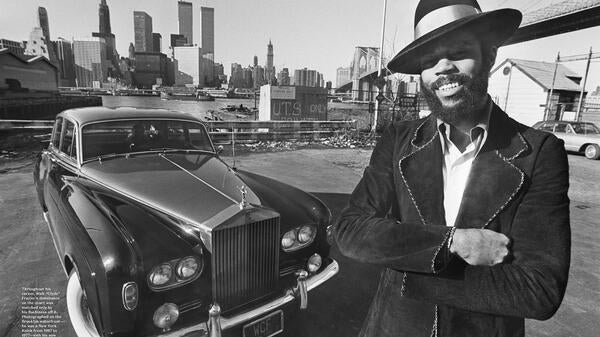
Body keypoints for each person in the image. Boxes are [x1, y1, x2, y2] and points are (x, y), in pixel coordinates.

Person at [333, 1, 571, 336]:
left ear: (489, 55)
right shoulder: (398, 140)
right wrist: (453, 243)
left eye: (458, 51)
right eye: (429, 60)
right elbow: (350, 230)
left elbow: (539, 289)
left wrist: (405, 264)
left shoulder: (539, 152)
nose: (443, 67)